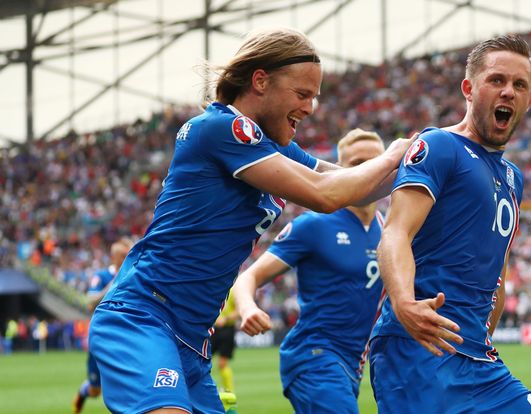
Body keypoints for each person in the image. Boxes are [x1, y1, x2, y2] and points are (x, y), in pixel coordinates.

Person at [88, 27, 412, 414]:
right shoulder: (222, 128)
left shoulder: (271, 146)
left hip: (191, 341)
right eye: (302, 94)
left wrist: (430, 162)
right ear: (260, 81)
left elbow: (346, 184)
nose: (310, 108)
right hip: (144, 318)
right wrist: (393, 155)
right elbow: (326, 195)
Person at [369, 34, 531, 413]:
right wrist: (404, 303)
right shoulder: (439, 146)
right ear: (469, 88)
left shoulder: (514, 178)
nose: (508, 92)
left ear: (529, 100)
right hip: (420, 347)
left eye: (519, 85)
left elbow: (496, 271)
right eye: (496, 80)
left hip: (477, 356)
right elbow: (396, 232)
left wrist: (485, 334)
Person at [234, 128, 386, 414]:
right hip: (313, 358)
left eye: (375, 162)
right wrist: (248, 308)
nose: (368, 170)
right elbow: (248, 277)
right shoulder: (314, 225)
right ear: (339, 169)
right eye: (356, 164)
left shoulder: (390, 231)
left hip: (352, 366)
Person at [73, 238, 134, 414]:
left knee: (126, 383)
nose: (126, 258)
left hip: (125, 335)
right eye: (123, 255)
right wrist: (113, 284)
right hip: (102, 335)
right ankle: (82, 394)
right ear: (114, 257)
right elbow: (90, 302)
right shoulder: (101, 276)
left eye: (128, 254)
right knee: (95, 390)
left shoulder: (135, 275)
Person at [211, 289, 238, 393]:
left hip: (227, 330)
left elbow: (238, 311)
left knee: (222, 363)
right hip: (211, 329)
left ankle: (229, 392)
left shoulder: (233, 291)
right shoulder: (214, 287)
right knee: (203, 360)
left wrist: (225, 319)